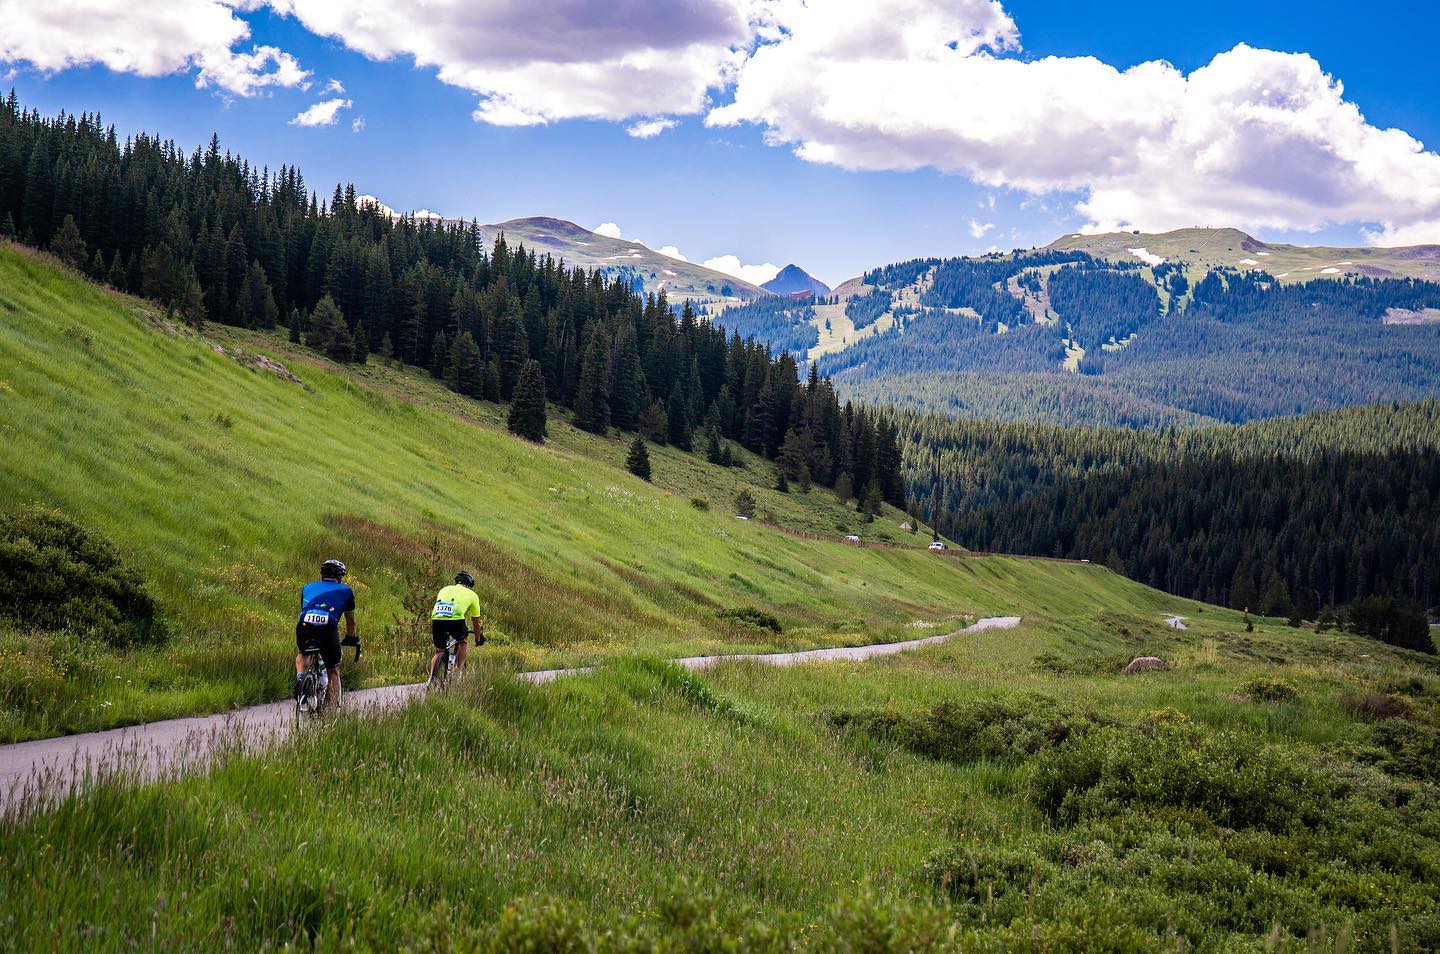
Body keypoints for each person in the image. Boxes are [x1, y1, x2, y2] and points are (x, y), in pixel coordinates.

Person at [295, 558, 358, 707]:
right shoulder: (346, 591)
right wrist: (351, 637)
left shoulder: (307, 587)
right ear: (340, 577)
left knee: (303, 653)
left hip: (305, 622)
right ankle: (329, 711)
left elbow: (306, 608)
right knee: (333, 669)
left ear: (322, 574)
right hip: (328, 626)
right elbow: (351, 622)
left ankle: (300, 680)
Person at [430, 570, 484, 681]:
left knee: (439, 650)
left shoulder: (444, 589)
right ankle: (458, 672)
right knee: (463, 642)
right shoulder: (473, 595)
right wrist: (478, 639)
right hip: (456, 619)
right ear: (469, 585)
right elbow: (476, 622)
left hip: (437, 618)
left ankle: (431, 679)